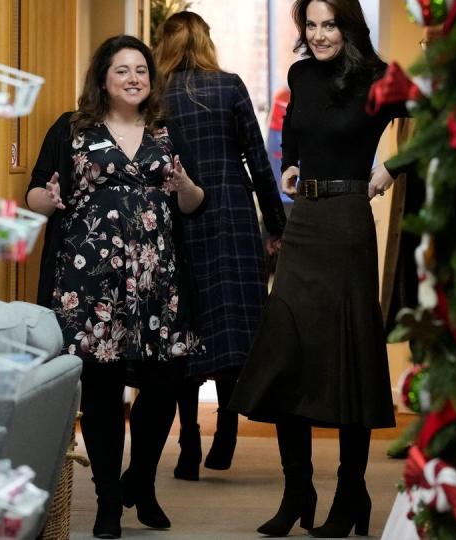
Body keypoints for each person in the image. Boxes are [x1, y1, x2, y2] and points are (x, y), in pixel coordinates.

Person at [229, 0, 408, 537]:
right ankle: (297, 490)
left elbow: (439, 119)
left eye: (330, 23)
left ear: (349, 25)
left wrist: (392, 168)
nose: (320, 34)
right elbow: (296, 138)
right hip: (303, 222)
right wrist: (286, 166)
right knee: (288, 355)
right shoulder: (300, 74)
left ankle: (351, 491)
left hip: (350, 224)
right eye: (311, 24)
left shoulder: (381, 79)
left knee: (347, 357)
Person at [27, 35, 206, 539]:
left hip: (158, 280)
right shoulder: (73, 129)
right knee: (103, 390)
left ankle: (141, 483)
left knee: (165, 383)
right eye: (122, 70)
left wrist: (185, 187)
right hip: (90, 281)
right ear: (103, 78)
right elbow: (35, 193)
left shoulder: (167, 132)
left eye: (141, 71)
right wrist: (51, 197)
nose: (133, 78)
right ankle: (108, 502)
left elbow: (192, 202)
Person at [153, 11, 286, 481]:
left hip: (179, 218)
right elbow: (259, 159)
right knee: (232, 324)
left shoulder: (156, 95)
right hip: (231, 213)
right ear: (206, 42)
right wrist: (276, 223)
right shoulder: (229, 86)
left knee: (187, 325)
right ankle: (226, 426)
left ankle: (189, 441)